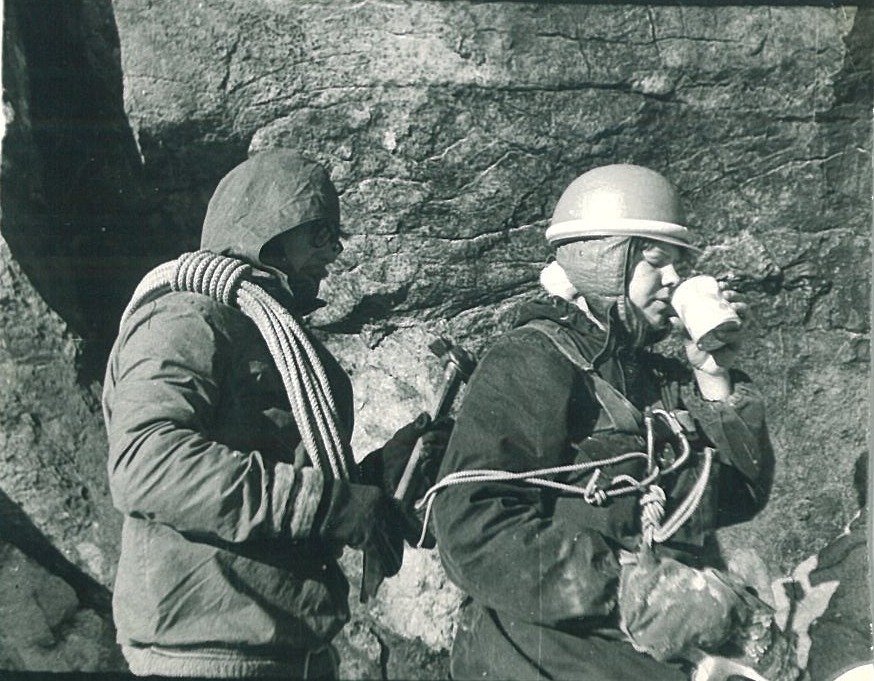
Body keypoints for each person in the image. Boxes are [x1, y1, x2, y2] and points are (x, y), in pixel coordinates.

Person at [102, 150, 442, 678]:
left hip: (289, 646)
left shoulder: (272, 334)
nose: (334, 252)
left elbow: (288, 483)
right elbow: (148, 464)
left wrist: (372, 479)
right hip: (207, 653)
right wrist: (331, 504)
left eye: (336, 236)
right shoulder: (185, 321)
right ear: (269, 232)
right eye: (320, 233)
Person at [429, 164, 778, 680]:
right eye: (656, 261)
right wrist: (630, 587)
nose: (673, 279)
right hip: (542, 656)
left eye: (679, 264)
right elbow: (471, 527)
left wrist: (714, 379)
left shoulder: (652, 377)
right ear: (605, 262)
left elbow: (738, 498)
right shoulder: (532, 359)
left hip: (636, 655)